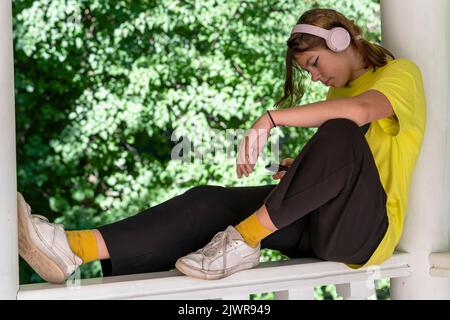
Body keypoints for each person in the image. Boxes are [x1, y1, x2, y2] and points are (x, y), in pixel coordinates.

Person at [17, 7, 426, 284]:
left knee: (338, 132)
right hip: (320, 224)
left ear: (340, 39)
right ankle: (73, 248)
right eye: (308, 72)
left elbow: (358, 115)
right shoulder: (339, 97)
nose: (315, 78)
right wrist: (299, 169)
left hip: (366, 234)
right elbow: (341, 157)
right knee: (207, 202)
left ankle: (244, 241)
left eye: (314, 64)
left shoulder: (399, 75)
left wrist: (270, 119)